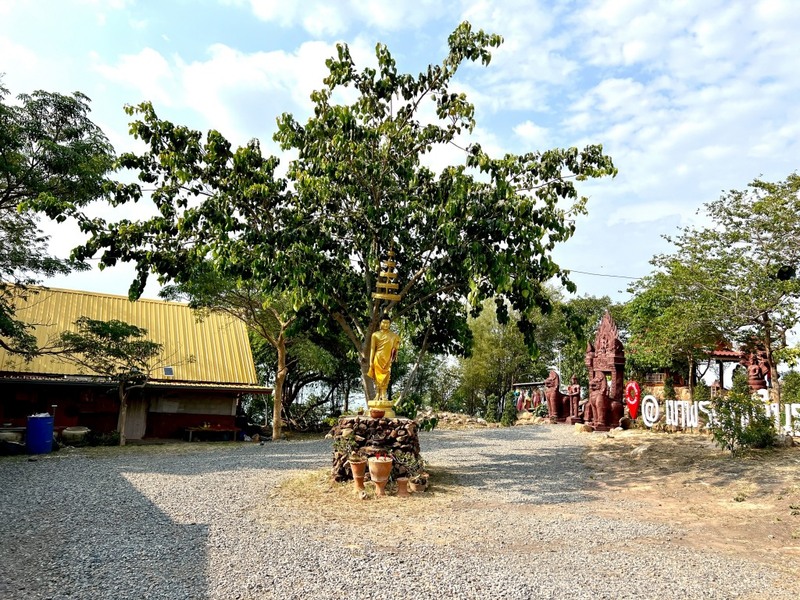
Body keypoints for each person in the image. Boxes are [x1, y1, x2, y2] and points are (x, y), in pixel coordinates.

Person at [367, 316, 401, 402]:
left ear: (390, 324)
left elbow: (395, 348)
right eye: (384, 323)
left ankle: (383, 394)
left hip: (387, 359)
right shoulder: (375, 335)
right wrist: (370, 361)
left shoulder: (394, 336)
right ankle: (377, 394)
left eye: (387, 323)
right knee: (377, 378)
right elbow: (372, 349)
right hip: (378, 358)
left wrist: (396, 350)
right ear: (380, 323)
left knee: (386, 377)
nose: (385, 325)